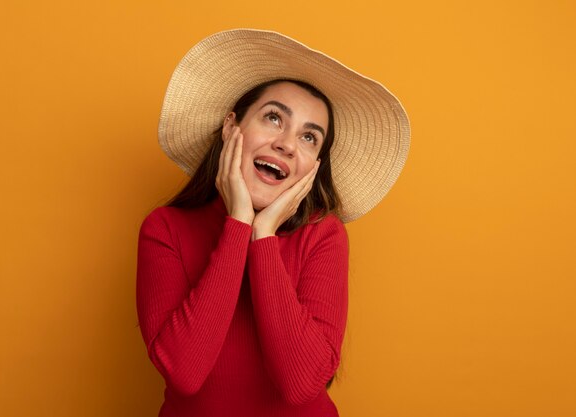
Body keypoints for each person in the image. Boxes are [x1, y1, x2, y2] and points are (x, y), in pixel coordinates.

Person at [136, 29, 410, 417]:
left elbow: (301, 386)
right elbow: (185, 373)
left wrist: (262, 236)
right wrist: (238, 225)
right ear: (232, 127)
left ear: (313, 169)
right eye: (274, 118)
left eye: (310, 138)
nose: (287, 144)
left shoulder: (323, 236)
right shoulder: (164, 230)